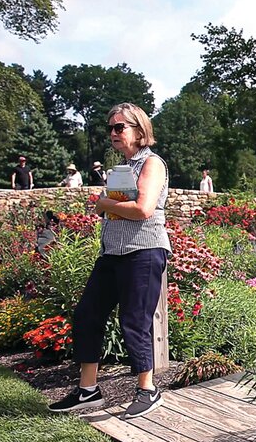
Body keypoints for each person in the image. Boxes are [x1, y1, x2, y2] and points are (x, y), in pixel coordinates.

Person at [49, 103, 171, 419]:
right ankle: (88, 391)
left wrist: (105, 203)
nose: (114, 133)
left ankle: (148, 390)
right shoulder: (121, 168)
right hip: (112, 254)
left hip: (143, 252)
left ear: (139, 130)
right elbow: (116, 210)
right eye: (111, 128)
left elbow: (143, 209)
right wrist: (110, 206)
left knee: (134, 320)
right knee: (87, 315)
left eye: (120, 127)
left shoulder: (152, 164)